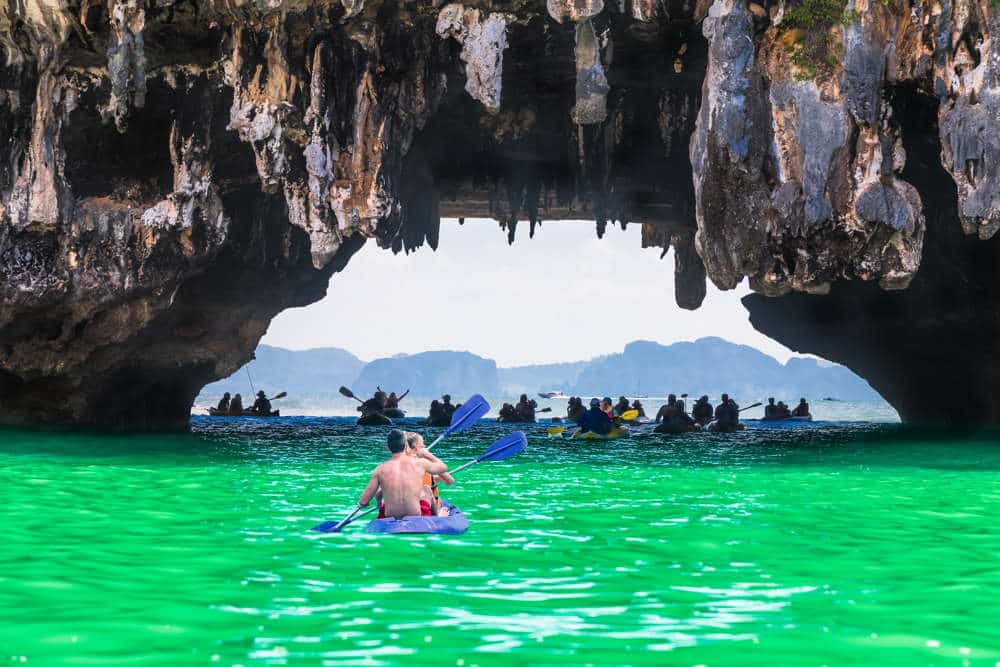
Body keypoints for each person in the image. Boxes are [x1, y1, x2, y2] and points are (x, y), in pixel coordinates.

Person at [358, 429, 450, 519]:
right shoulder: (420, 463)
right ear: (406, 446)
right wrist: (428, 455)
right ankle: (438, 517)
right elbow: (444, 467)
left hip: (390, 516)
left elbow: (363, 501)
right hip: (415, 516)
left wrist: (371, 504)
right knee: (426, 489)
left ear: (387, 447)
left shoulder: (380, 470)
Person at [406, 432, 455, 516]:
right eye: (422, 444)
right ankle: (439, 516)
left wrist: (433, 478)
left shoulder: (398, 463)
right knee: (429, 489)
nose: (424, 446)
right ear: (416, 447)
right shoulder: (426, 464)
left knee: (431, 484)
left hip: (406, 508)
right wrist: (428, 455)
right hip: (427, 510)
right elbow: (450, 481)